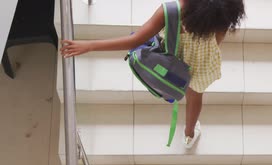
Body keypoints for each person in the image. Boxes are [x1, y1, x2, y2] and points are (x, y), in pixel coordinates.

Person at [61, 0, 245, 149]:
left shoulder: (171, 11)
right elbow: (217, 41)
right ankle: (189, 135)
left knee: (190, 91)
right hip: (204, 63)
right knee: (196, 96)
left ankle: (188, 129)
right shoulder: (226, 7)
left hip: (171, 60)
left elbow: (134, 40)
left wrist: (90, 46)